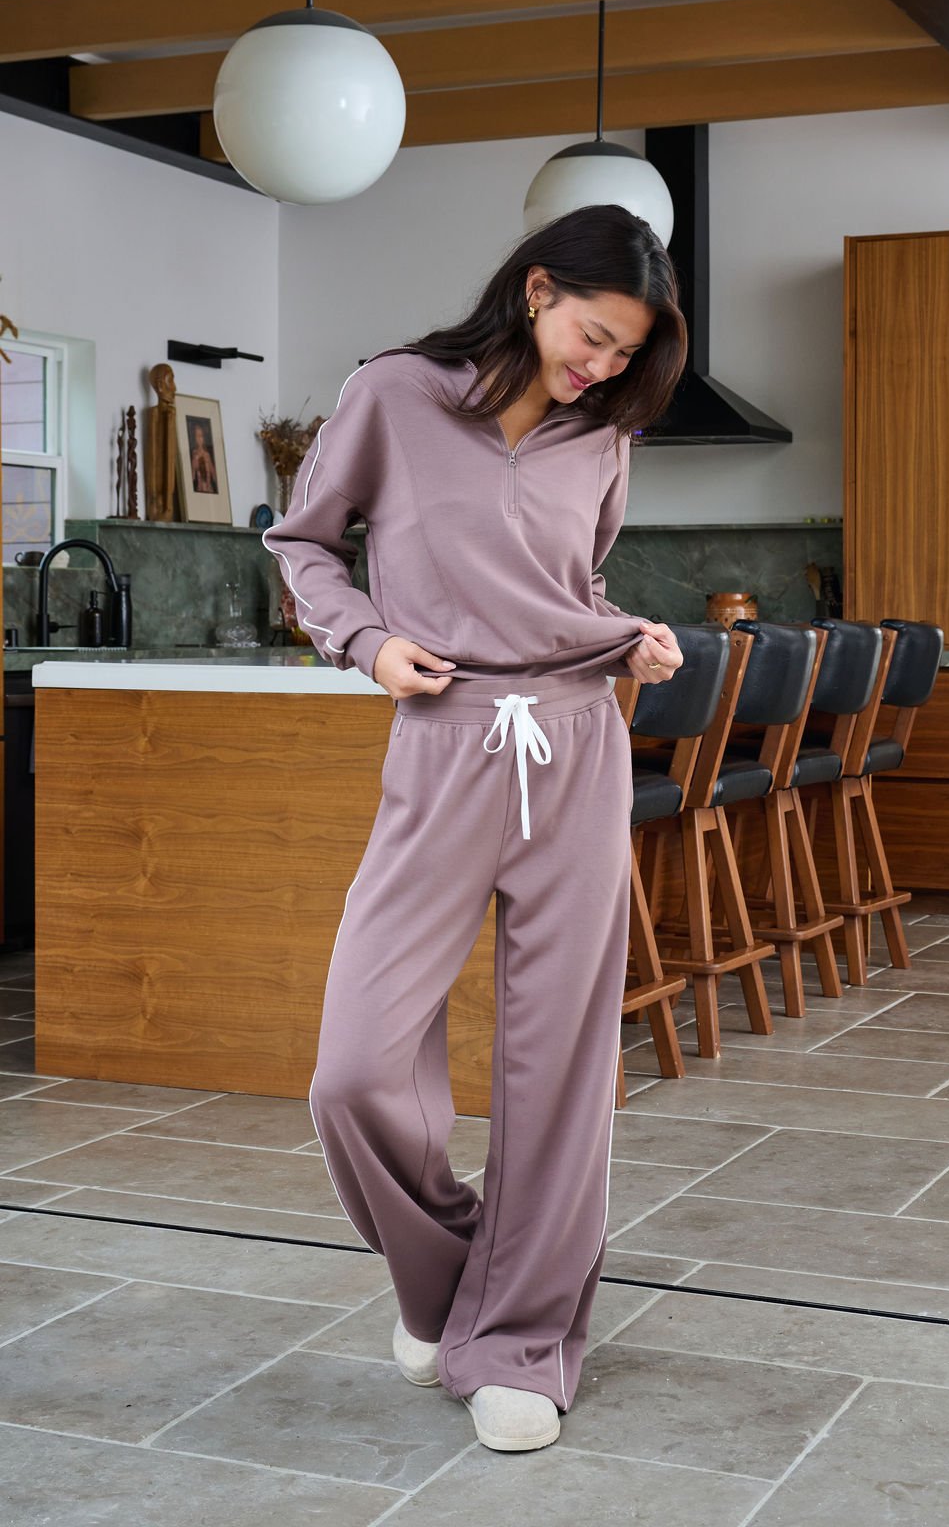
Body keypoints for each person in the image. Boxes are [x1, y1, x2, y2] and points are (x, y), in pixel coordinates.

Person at [263, 204, 687, 1453]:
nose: (601, 368)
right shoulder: (394, 395)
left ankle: (521, 1338)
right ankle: (450, 1283)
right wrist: (367, 642)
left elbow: (575, 589)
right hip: (444, 743)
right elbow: (303, 548)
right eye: (593, 336)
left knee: (557, 1074)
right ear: (538, 286)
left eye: (624, 355)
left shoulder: (605, 431)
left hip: (576, 745)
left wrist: (630, 637)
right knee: (354, 1067)